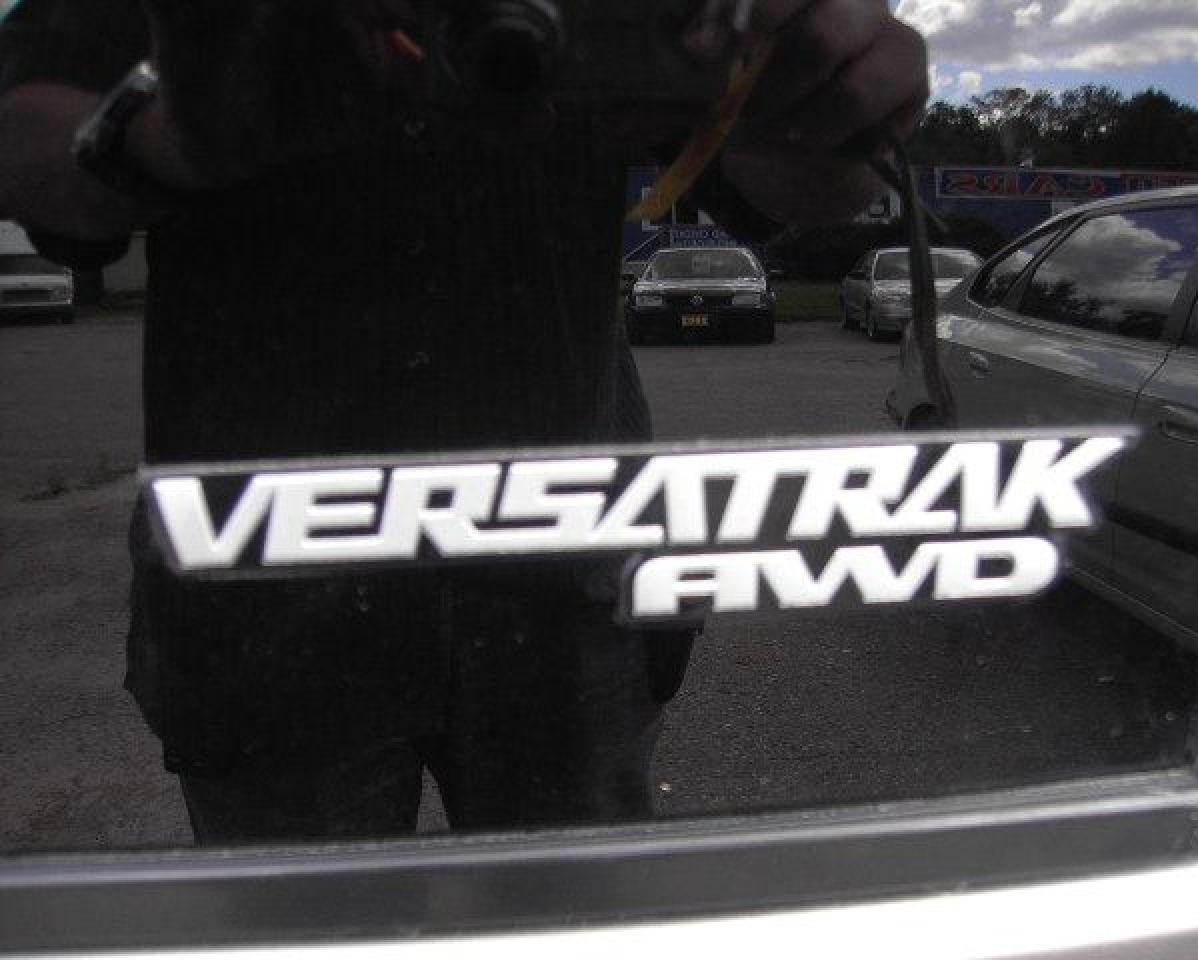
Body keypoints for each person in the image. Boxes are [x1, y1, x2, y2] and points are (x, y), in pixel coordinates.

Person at [0, 0, 928, 843]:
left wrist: (828, 101)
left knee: (560, 931)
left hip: (540, 584)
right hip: (276, 598)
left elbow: (777, 175)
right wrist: (165, 137)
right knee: (329, 938)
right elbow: (22, 129)